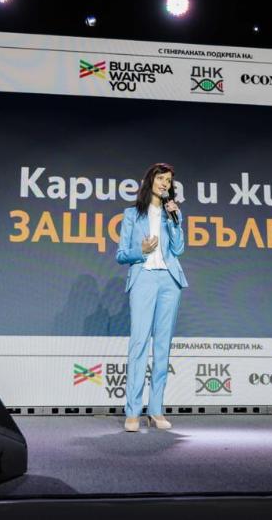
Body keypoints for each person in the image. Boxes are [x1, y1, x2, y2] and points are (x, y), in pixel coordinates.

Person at [115, 162, 188, 432]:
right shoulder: (132, 214)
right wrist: (142, 250)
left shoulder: (173, 213)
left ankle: (156, 409)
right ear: (150, 181)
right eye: (160, 178)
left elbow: (178, 249)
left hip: (169, 281)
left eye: (168, 180)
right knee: (139, 344)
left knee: (162, 347)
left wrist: (175, 220)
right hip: (143, 278)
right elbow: (121, 254)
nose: (164, 183)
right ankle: (133, 412)